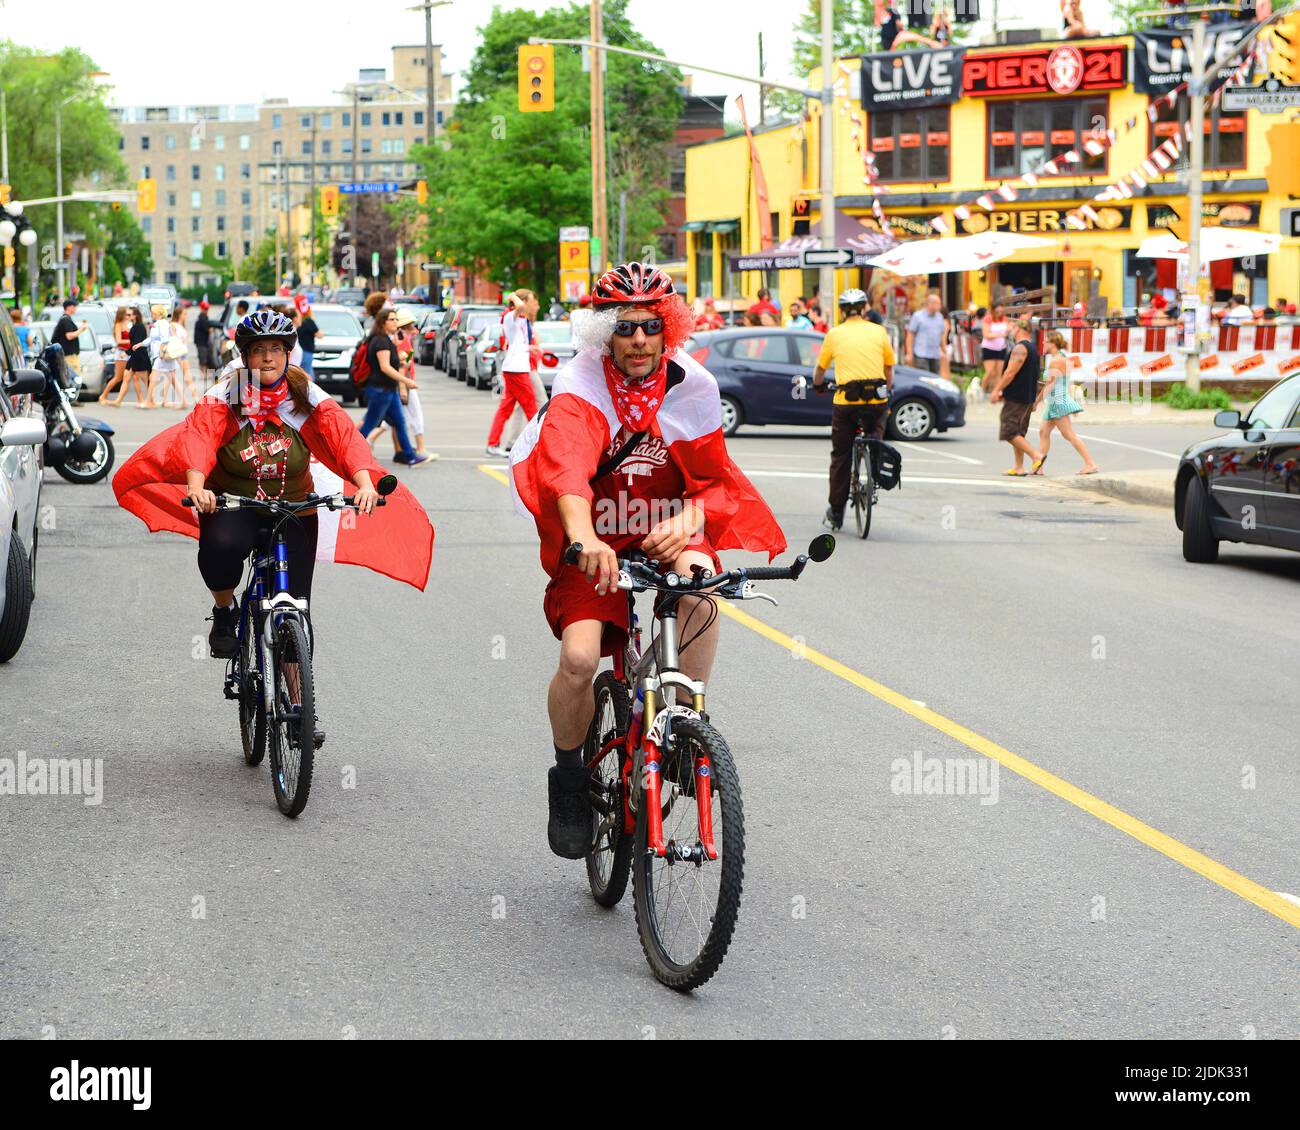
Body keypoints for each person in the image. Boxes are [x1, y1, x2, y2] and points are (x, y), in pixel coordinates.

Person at [508, 261, 785, 858]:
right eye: (625, 327)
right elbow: (565, 475)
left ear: (671, 329)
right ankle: (570, 777)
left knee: (702, 582)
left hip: (665, 527)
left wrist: (693, 519)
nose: (638, 340)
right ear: (605, 333)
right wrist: (583, 540)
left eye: (651, 326)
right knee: (580, 659)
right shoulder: (580, 384)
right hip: (596, 535)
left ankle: (685, 720)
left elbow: (714, 482)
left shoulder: (695, 386)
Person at [111, 308, 435, 687]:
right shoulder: (228, 394)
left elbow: (344, 435)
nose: (268, 357)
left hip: (294, 506)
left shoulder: (303, 392)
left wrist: (363, 483)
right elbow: (199, 436)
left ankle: (298, 702)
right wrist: (197, 487)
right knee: (221, 548)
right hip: (234, 502)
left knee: (297, 606)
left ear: (288, 354)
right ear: (245, 355)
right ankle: (225, 609)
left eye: (277, 349)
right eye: (259, 349)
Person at [812, 289, 895, 530]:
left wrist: (818, 385)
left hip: (846, 402)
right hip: (875, 400)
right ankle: (875, 463)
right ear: (864, 308)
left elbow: (820, 369)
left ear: (841, 311)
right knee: (875, 434)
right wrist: (887, 389)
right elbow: (889, 367)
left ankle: (837, 512)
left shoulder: (834, 334)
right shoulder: (879, 332)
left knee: (841, 456)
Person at [356, 309, 434, 466]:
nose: (395, 323)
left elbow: (389, 363)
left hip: (388, 390)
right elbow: (384, 367)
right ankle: (349, 450)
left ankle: (408, 455)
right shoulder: (380, 341)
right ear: (383, 322)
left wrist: (400, 361)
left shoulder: (386, 340)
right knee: (371, 423)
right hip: (380, 390)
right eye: (392, 319)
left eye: (396, 319)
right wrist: (406, 381)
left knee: (399, 422)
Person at [485, 289, 541, 457]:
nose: (529, 305)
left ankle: (492, 444)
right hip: (517, 369)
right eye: (529, 300)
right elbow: (520, 307)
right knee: (531, 407)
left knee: (506, 408)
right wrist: (512, 296)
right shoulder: (510, 316)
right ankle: (538, 444)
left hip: (516, 367)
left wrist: (529, 348)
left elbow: (518, 343)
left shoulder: (521, 320)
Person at [1035, 331, 1098, 476]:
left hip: (1057, 400)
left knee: (1069, 434)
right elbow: (1062, 382)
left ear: (1053, 343)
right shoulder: (1062, 358)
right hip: (1055, 399)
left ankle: (1090, 464)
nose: (1043, 344)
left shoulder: (1056, 360)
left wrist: (1036, 402)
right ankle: (1039, 466)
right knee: (1043, 432)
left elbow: (1050, 384)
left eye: (1045, 341)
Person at [990, 320, 1046, 476]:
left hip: (1017, 397)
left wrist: (996, 390)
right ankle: (1018, 466)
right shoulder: (1033, 348)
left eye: (1013, 327)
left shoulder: (1020, 348)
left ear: (1020, 329)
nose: (1011, 330)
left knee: (1009, 432)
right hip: (1027, 396)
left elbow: (1010, 373)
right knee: (1019, 432)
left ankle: (1036, 455)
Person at [905, 291, 949, 374]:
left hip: (935, 354)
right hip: (921, 354)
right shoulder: (918, 316)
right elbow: (910, 335)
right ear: (930, 304)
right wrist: (909, 353)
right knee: (924, 378)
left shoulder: (940, 317)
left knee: (935, 379)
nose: (939, 306)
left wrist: (944, 351)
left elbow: (941, 336)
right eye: (938, 304)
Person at [99, 307, 133, 404]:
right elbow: (118, 341)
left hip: (128, 352)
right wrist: (131, 341)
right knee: (118, 377)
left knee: (127, 377)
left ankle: (119, 399)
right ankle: (103, 395)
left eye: (130, 315)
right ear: (122, 315)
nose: (129, 317)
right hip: (121, 352)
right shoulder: (118, 325)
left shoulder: (127, 325)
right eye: (127, 315)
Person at [172, 305, 199, 406]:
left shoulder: (182, 326)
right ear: (179, 315)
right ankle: (181, 399)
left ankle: (195, 397)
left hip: (183, 354)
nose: (186, 315)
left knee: (187, 377)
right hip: (177, 354)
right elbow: (174, 341)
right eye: (184, 314)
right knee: (171, 377)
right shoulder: (173, 325)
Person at [980, 303, 1010, 393]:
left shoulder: (1005, 319)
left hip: (1001, 347)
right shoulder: (987, 319)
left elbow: (1007, 332)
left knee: (999, 373)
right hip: (989, 348)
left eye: (1001, 311)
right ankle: (982, 390)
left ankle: (996, 392)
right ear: (993, 311)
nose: (999, 313)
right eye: (997, 311)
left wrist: (1009, 330)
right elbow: (986, 334)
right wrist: (1000, 334)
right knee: (989, 372)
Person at [54, 299, 87, 376]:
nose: (75, 308)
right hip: (69, 355)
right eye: (74, 306)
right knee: (75, 376)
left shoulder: (65, 319)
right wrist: (82, 329)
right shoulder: (65, 320)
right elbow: (69, 336)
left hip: (67, 355)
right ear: (68, 307)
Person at [194, 300, 217, 385]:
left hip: (203, 341)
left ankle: (206, 373)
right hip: (201, 341)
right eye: (205, 308)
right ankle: (203, 374)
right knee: (202, 358)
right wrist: (212, 329)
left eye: (207, 308)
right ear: (202, 308)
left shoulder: (204, 316)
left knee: (206, 357)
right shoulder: (202, 317)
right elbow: (206, 329)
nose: (206, 310)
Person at [297, 303, 320, 376]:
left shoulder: (300, 322)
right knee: (307, 375)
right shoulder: (309, 321)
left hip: (301, 350)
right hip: (307, 351)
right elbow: (319, 335)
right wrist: (313, 319)